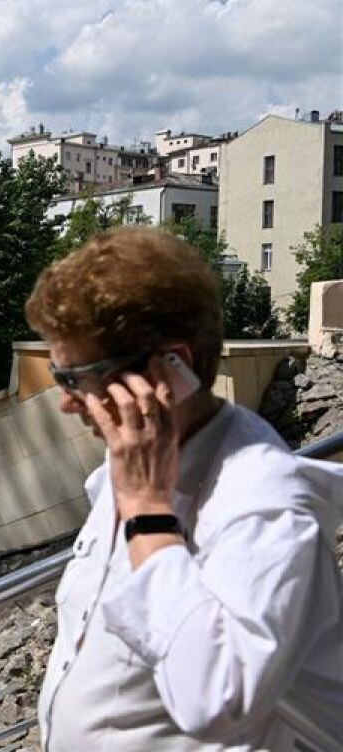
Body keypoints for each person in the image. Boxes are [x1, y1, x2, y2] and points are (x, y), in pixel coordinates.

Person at [24, 226, 343, 750]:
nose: (67, 401)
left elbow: (216, 698)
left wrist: (148, 516)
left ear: (172, 367)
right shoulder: (135, 461)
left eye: (76, 377)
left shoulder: (263, 503)